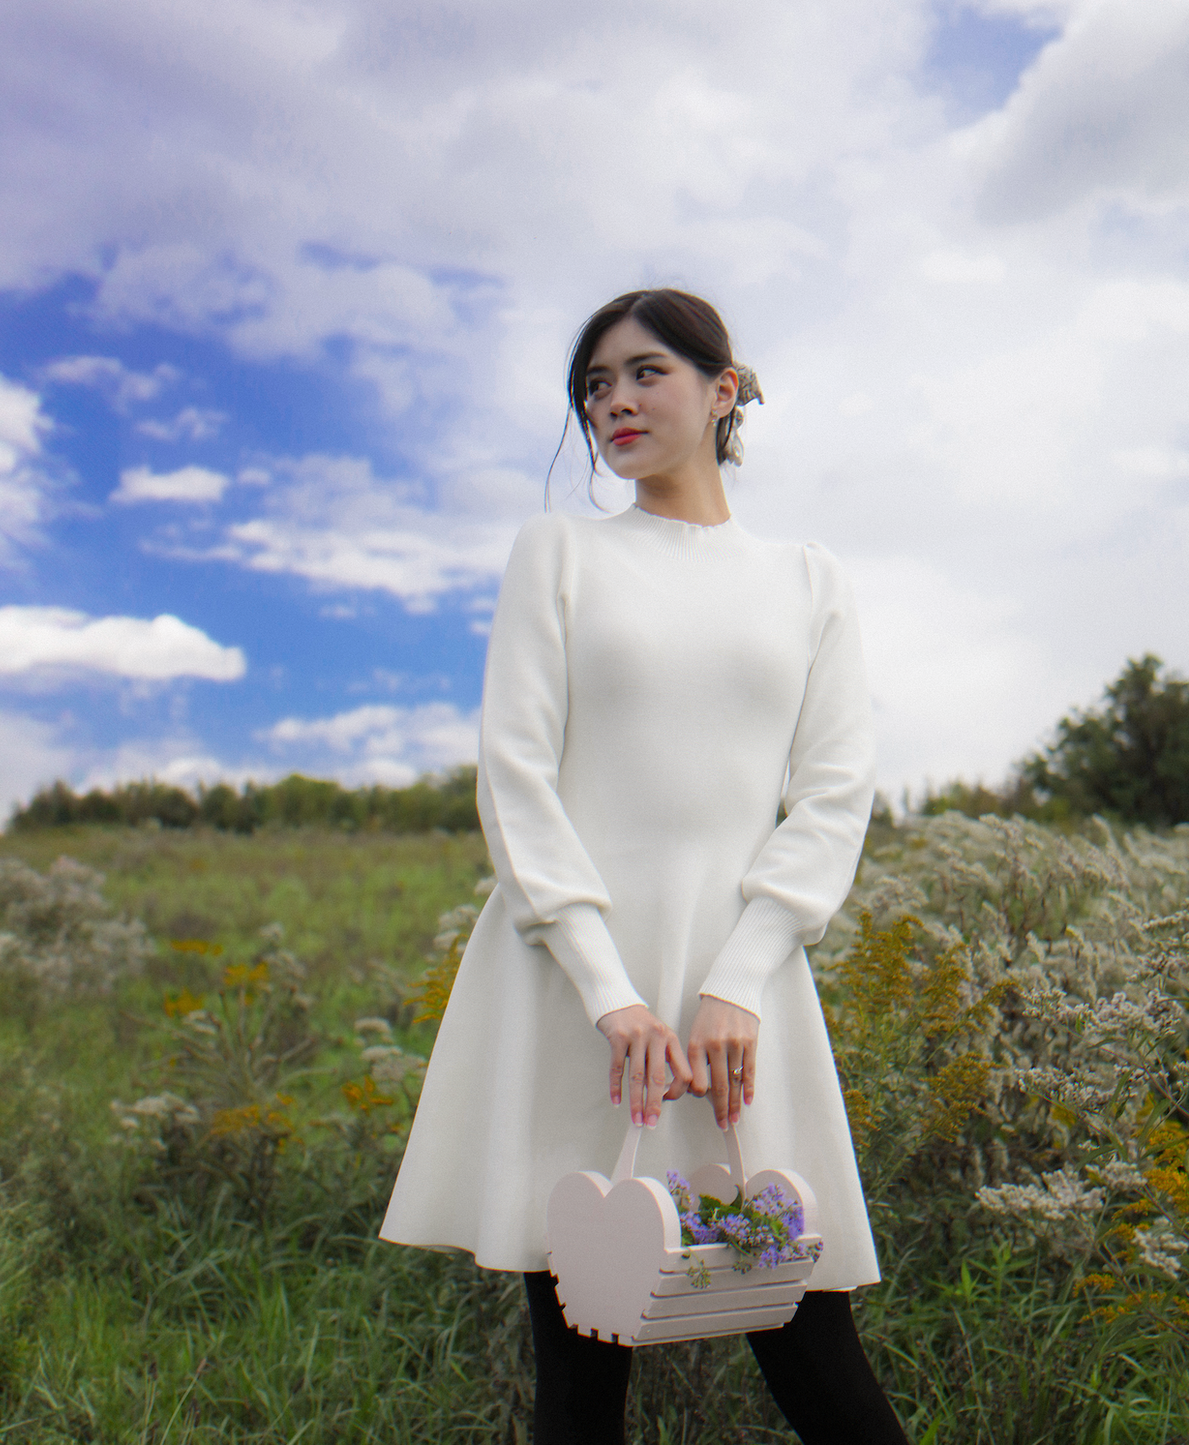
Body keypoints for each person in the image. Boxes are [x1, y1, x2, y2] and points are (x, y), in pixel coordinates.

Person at [380, 288, 910, 1445]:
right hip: (577, 989)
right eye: (592, 385)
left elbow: (830, 795)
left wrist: (740, 973)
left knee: (808, 1331)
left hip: (740, 993)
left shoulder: (807, 579)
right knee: (583, 1351)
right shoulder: (558, 551)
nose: (613, 400)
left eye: (644, 372)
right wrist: (608, 992)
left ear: (723, 391)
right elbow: (515, 777)